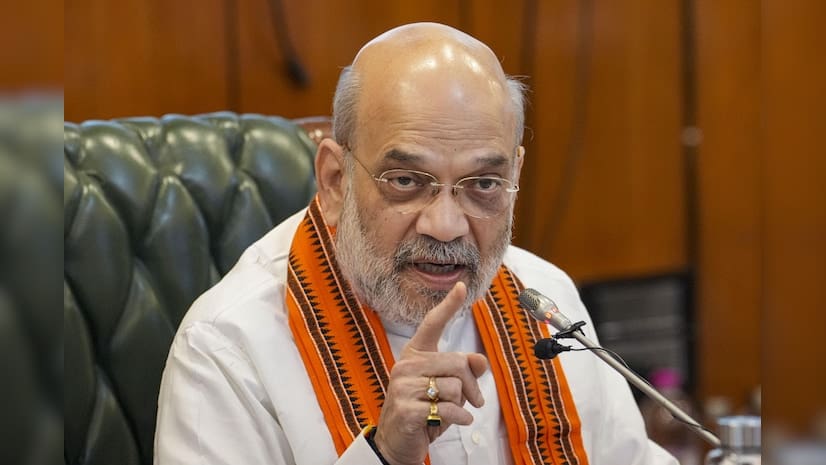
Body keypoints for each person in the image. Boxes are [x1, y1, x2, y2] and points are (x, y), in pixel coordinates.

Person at [154, 22, 677, 465]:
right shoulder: (226, 346)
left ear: (514, 176)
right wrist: (382, 454)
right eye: (406, 181)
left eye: (483, 184)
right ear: (335, 181)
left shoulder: (544, 298)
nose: (446, 226)